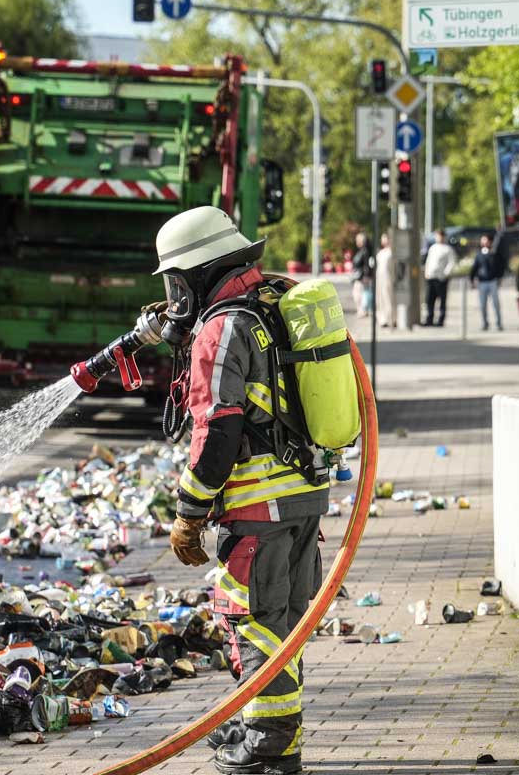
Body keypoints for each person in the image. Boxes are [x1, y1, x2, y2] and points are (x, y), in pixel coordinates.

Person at [156, 206, 330, 775]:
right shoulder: (274, 304)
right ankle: (265, 723)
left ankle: (271, 746)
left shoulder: (221, 327)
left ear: (203, 272)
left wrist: (190, 512)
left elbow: (219, 426)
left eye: (179, 283)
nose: (177, 297)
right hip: (304, 495)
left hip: (261, 503)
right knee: (282, 622)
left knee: (251, 620)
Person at [469, 234, 504, 331]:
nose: (484, 243)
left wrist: (499, 278)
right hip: (482, 282)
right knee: (482, 305)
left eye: (486, 241)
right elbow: (474, 268)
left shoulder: (495, 253)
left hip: (492, 281)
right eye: (482, 241)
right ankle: (485, 323)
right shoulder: (479, 255)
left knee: (496, 304)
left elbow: (500, 267)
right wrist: (472, 280)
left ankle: (499, 323)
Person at [423, 229, 457, 327]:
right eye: (437, 236)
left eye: (441, 236)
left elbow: (452, 262)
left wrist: (445, 274)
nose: (439, 238)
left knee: (442, 300)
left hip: (441, 278)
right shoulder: (433, 248)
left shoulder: (448, 249)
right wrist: (427, 272)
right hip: (431, 277)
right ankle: (429, 318)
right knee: (430, 300)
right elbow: (428, 261)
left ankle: (441, 320)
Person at [374, 232, 395, 328]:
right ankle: (382, 318)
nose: (383, 240)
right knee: (380, 298)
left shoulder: (392, 252)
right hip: (380, 278)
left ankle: (391, 318)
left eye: (385, 238)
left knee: (388, 298)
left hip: (388, 278)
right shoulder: (381, 252)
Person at [350, 232, 373, 318]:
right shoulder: (360, 251)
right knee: (358, 294)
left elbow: (367, 265)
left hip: (362, 277)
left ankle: (363, 310)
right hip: (358, 276)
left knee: (361, 294)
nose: (356, 242)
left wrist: (366, 276)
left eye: (358, 240)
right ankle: (362, 310)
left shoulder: (365, 251)